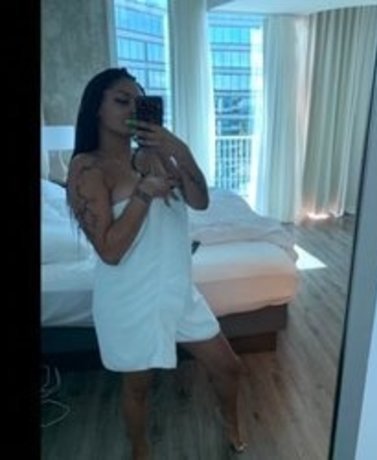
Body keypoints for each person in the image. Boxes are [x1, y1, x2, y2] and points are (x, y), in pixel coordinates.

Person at [66, 68, 246, 459]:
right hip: (129, 298)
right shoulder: (87, 167)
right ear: (96, 108)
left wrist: (178, 149)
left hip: (177, 289)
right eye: (121, 100)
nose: (132, 109)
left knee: (228, 367)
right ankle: (140, 448)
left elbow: (200, 201)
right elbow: (110, 251)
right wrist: (143, 193)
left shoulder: (153, 155)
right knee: (138, 387)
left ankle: (231, 423)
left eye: (139, 102)